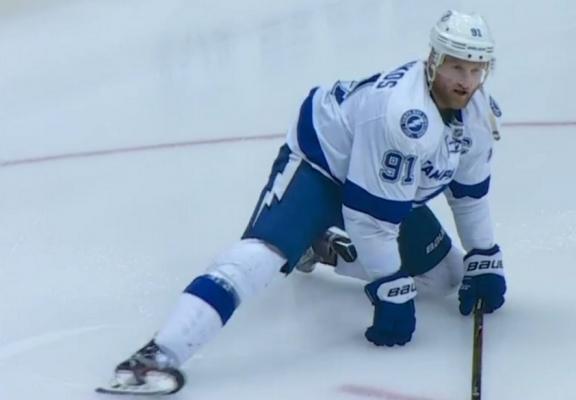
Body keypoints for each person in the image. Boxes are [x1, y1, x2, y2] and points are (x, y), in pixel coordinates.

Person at [97, 9, 507, 396]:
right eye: (456, 66)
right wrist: (389, 288)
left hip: (375, 186)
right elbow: (371, 220)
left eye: (475, 69)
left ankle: (324, 246)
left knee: (445, 275)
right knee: (259, 259)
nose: (466, 80)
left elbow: (469, 197)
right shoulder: (403, 115)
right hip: (319, 169)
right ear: (434, 60)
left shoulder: (477, 114)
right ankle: (157, 355)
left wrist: (483, 255)